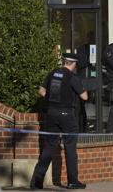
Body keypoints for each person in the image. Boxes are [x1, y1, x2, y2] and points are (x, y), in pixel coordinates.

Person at [31, 53, 88, 190]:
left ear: (63, 62)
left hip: (51, 113)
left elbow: (41, 91)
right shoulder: (72, 77)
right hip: (66, 115)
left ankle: (37, 181)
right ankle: (72, 181)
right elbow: (84, 97)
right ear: (73, 64)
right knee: (70, 148)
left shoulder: (52, 74)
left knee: (49, 146)